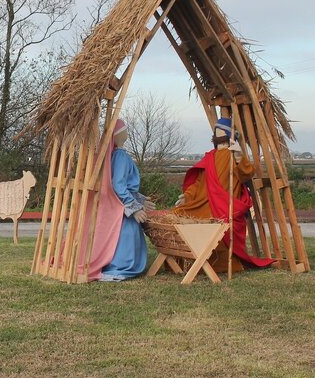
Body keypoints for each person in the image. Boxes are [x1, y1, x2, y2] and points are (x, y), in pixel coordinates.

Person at [173, 117, 272, 272]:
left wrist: (239, 156)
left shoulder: (234, 156)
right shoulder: (209, 157)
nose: (217, 133)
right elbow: (199, 183)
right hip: (204, 203)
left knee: (218, 224)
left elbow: (246, 174)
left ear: (229, 135)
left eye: (221, 131)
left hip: (224, 206)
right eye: (216, 131)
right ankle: (186, 260)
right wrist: (187, 196)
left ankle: (220, 263)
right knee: (178, 214)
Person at [84, 119, 155, 282]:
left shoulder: (113, 156)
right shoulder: (121, 155)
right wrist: (134, 208)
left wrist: (140, 199)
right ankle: (120, 266)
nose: (127, 132)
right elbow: (118, 185)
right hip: (123, 209)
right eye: (124, 129)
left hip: (120, 205)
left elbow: (120, 185)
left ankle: (115, 263)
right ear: (117, 134)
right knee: (125, 237)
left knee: (118, 237)